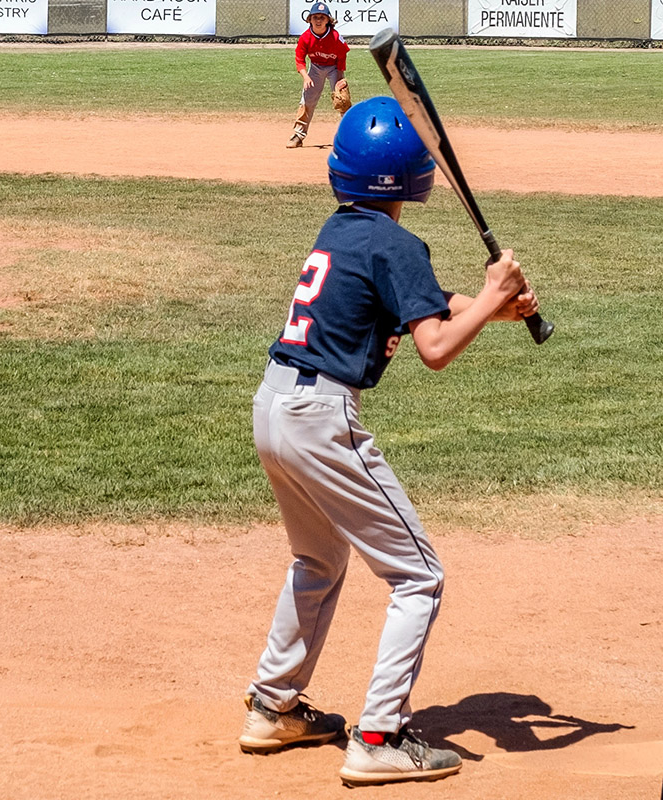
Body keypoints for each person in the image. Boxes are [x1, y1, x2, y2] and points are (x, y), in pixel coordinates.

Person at [237, 96, 539, 786]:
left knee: (318, 559)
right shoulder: (396, 242)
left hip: (275, 404)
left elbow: (425, 302)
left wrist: (493, 306)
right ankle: (378, 737)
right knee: (420, 577)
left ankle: (272, 706)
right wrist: (493, 295)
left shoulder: (344, 231)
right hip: (321, 418)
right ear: (412, 177)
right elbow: (434, 346)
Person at [287, 1, 349, 148]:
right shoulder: (305, 37)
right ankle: (298, 135)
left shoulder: (335, 37)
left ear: (328, 20)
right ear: (309, 19)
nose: (319, 20)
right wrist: (305, 77)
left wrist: (340, 78)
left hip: (334, 68)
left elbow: (342, 56)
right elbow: (299, 59)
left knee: (342, 101)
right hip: (315, 68)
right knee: (307, 100)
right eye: (315, 17)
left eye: (322, 17)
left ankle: (349, 136)